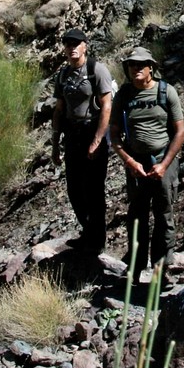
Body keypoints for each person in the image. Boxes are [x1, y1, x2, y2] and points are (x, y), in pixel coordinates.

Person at [110, 47, 184, 288]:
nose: (136, 68)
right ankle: (134, 268)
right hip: (137, 165)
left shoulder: (167, 92)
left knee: (164, 215)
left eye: (141, 64)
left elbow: (180, 131)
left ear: (151, 67)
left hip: (163, 160)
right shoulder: (123, 95)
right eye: (132, 65)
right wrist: (129, 161)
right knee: (136, 216)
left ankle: (161, 270)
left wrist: (164, 164)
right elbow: (114, 135)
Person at [51, 28, 115, 254]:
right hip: (72, 135)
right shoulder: (63, 75)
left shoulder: (96, 70)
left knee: (94, 188)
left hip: (92, 131)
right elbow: (59, 109)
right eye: (68, 44)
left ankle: (96, 240)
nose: (72, 47)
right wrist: (55, 142)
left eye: (76, 43)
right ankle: (88, 230)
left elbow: (106, 106)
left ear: (85, 45)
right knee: (74, 188)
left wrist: (98, 139)